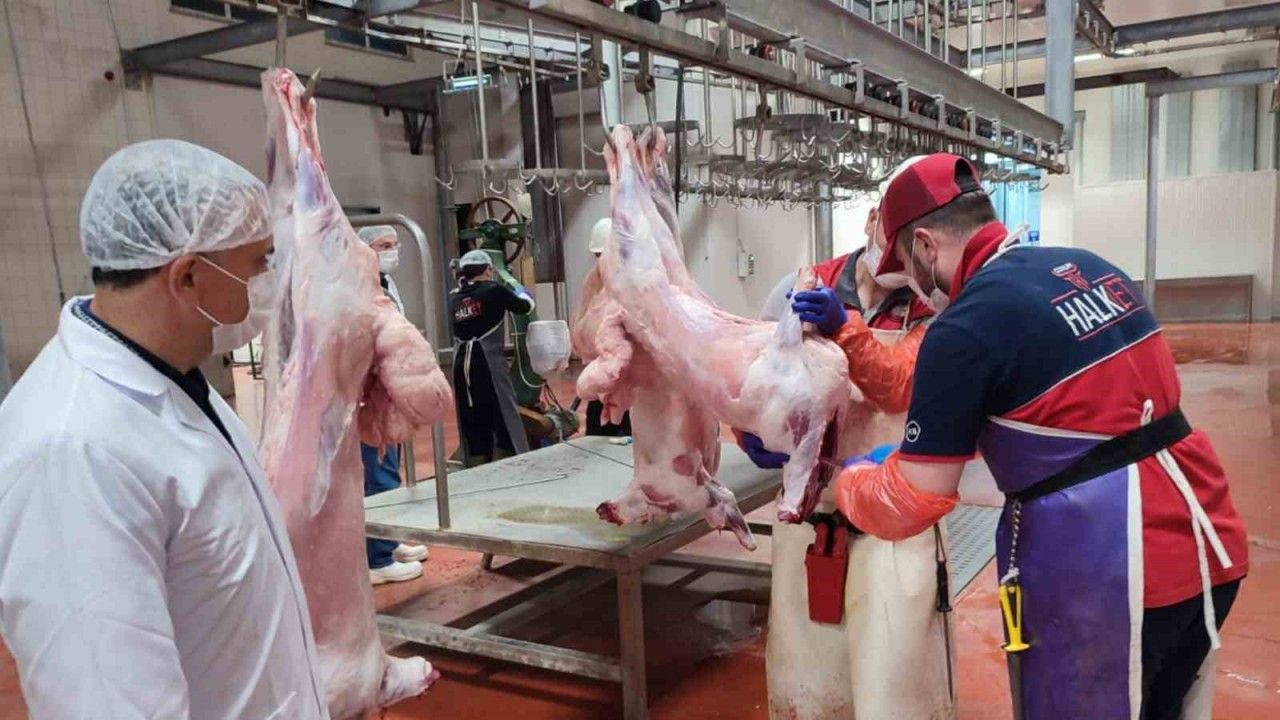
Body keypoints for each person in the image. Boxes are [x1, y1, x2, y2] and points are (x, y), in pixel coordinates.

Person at [820, 153, 1248, 720]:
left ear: (925, 246)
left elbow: (912, 500)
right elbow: (1075, 411)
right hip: (1208, 544)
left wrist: (848, 482)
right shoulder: (1087, 267)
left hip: (1113, 573)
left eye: (907, 267)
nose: (916, 290)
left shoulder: (964, 324)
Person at [0, 140, 326, 718]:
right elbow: (111, 704)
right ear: (188, 277)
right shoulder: (73, 456)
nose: (268, 283)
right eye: (258, 264)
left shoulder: (174, 373)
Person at [738, 158, 960, 719]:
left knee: (895, 692)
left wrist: (843, 327)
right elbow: (751, 376)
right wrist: (751, 432)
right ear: (871, 221)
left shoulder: (939, 306)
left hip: (894, 529)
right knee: (809, 684)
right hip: (810, 523)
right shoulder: (801, 286)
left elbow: (898, 386)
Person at [357, 225, 429, 584]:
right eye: (383, 245)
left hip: (387, 390)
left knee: (388, 468)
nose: (392, 251)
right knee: (379, 473)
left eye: (394, 244)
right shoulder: (361, 287)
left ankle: (388, 541)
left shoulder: (384, 283)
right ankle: (378, 560)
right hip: (370, 395)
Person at [450, 248, 535, 466]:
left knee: (471, 411)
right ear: (488, 270)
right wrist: (520, 289)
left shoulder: (455, 298)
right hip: (488, 363)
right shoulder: (495, 290)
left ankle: (477, 460)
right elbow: (525, 307)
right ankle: (513, 456)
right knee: (502, 410)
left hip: (460, 365)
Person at [582, 217, 631, 437]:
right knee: (596, 440)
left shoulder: (635, 285)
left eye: (603, 255)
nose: (601, 262)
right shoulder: (593, 285)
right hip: (602, 381)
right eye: (598, 256)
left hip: (631, 386)